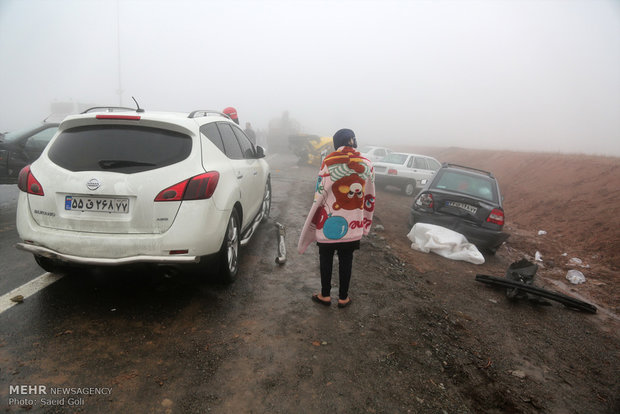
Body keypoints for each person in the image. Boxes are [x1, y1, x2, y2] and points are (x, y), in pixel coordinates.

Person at [298, 128, 375, 308]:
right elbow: (370, 197)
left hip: (328, 224)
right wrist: (366, 222)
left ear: (336, 143)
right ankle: (343, 298)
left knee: (325, 258)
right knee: (346, 260)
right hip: (353, 224)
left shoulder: (328, 161)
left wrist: (315, 220)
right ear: (354, 141)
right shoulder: (367, 164)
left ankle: (325, 295)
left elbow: (319, 193)